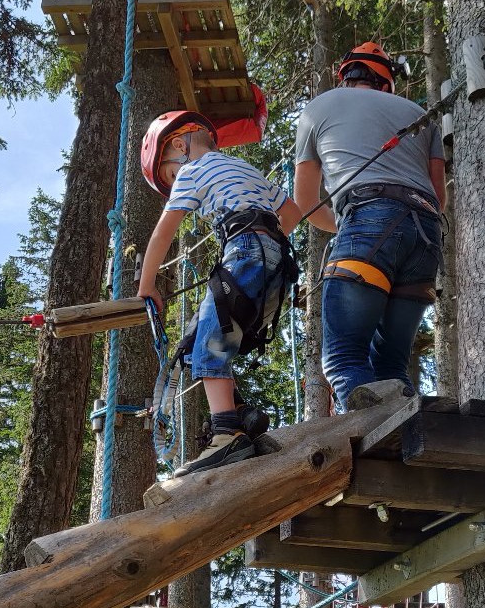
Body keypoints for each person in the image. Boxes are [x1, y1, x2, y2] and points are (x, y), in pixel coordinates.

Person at [138, 111, 301, 476]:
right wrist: (264, 241)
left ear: (180, 146)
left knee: (209, 343)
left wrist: (147, 285)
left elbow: (164, 232)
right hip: (276, 261)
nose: (175, 180)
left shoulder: (193, 170)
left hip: (245, 250)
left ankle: (226, 434)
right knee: (202, 338)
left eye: (170, 173)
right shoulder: (244, 168)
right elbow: (291, 212)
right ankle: (240, 416)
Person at [294, 43, 447, 410]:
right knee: (392, 366)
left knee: (344, 358)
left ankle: (380, 448)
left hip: (366, 217)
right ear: (386, 83)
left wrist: (353, 231)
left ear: (345, 76)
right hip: (426, 236)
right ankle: (413, 441)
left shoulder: (319, 108)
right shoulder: (419, 114)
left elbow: (306, 203)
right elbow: (439, 197)